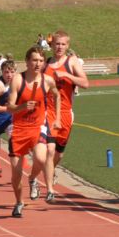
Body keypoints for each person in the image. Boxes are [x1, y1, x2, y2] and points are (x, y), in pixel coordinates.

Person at [7, 47, 61, 217]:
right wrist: (22, 106)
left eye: (40, 60)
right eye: (34, 60)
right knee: (16, 176)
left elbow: (57, 95)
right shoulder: (17, 80)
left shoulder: (47, 80)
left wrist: (57, 117)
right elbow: (9, 107)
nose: (37, 64)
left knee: (41, 157)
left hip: (38, 127)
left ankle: (40, 184)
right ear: (27, 61)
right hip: (19, 130)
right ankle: (19, 202)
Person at [43, 30, 89, 183]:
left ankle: (50, 169)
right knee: (49, 150)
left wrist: (67, 76)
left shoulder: (71, 62)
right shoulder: (46, 63)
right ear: (52, 45)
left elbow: (86, 84)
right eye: (57, 44)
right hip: (47, 111)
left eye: (63, 44)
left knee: (59, 153)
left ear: (67, 45)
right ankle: (44, 180)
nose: (60, 47)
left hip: (65, 112)